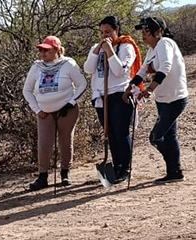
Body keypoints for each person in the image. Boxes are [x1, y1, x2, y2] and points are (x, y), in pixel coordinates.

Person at [123, 17, 188, 182]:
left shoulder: (165, 44)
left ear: (158, 32)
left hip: (175, 98)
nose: (143, 35)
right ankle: (174, 171)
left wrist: (150, 89)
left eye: (147, 31)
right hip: (163, 100)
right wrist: (129, 88)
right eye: (142, 31)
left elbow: (165, 66)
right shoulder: (152, 50)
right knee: (170, 135)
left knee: (156, 137)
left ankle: (174, 167)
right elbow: (143, 71)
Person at [23, 36, 88, 190]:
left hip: (67, 111)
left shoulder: (68, 64)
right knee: (44, 144)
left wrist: (71, 102)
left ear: (57, 50)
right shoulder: (37, 67)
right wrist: (37, 109)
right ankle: (43, 176)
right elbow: (27, 90)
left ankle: (65, 173)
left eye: (46, 49)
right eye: (41, 49)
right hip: (45, 112)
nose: (42, 52)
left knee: (65, 141)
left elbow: (82, 84)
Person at [84, 16, 142, 184]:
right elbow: (88, 69)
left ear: (117, 30)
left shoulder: (126, 46)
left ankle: (125, 168)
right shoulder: (96, 47)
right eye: (101, 33)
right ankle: (115, 166)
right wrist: (97, 51)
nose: (104, 36)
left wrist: (110, 50)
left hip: (119, 94)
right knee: (109, 133)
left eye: (108, 32)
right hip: (101, 96)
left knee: (120, 131)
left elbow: (119, 71)